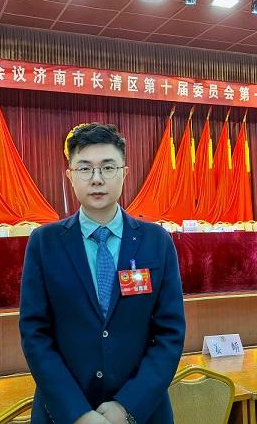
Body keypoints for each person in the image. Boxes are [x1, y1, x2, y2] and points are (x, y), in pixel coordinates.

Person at [19, 123, 185, 424]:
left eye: (108, 167)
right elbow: (35, 335)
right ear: (70, 176)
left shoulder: (156, 241)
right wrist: (77, 413)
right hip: (63, 414)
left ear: (124, 172)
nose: (97, 179)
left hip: (142, 413)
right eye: (85, 169)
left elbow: (169, 334)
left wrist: (127, 407)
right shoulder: (44, 243)